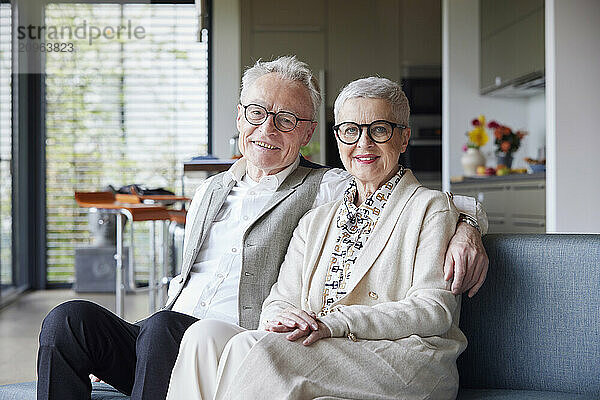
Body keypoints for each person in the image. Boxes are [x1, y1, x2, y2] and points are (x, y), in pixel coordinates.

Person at [37, 57, 487, 400]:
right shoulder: (212, 189)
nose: (267, 128)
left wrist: (467, 223)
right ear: (239, 118)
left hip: (228, 339)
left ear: (308, 132)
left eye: (286, 119)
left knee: (164, 330)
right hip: (163, 333)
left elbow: (390, 185)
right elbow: (187, 280)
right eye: (256, 112)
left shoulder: (325, 186)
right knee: (68, 320)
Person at [166, 76, 469, 400]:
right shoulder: (317, 219)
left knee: (251, 346)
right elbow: (279, 301)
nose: (363, 144)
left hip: (401, 356)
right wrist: (283, 318)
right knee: (204, 334)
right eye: (351, 130)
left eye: (379, 130)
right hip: (325, 347)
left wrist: (334, 323)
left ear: (403, 138)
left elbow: (432, 311)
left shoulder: (430, 207)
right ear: (337, 138)